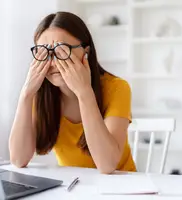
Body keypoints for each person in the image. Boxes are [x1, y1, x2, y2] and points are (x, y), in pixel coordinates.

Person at [9, 11, 136, 173]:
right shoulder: (40, 92)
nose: (53, 63)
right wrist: (26, 94)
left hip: (121, 186)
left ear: (86, 52)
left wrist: (84, 92)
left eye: (62, 51)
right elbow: (18, 160)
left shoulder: (117, 88)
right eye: (44, 53)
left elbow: (107, 165)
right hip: (74, 186)